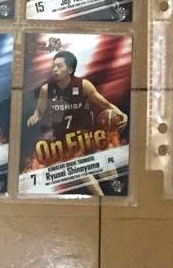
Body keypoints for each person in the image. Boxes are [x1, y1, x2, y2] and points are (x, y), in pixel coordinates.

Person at [26, 50, 127, 196]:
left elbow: (106, 104)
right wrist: (35, 116)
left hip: (87, 135)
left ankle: (114, 189)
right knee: (82, 171)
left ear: (70, 69)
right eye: (54, 66)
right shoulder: (46, 90)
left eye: (59, 66)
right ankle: (101, 199)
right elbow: (39, 111)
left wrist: (121, 114)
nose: (55, 69)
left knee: (110, 175)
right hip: (66, 140)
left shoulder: (83, 85)